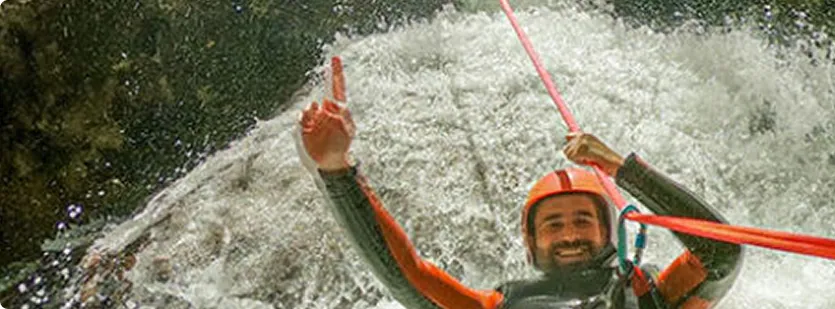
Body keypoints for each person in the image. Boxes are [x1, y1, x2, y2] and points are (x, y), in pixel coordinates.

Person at [299, 58, 741, 309]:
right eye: (552, 225)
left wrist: (618, 167)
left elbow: (722, 252)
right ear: (529, 244)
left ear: (609, 233)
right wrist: (338, 167)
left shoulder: (654, 295)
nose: (568, 234)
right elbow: (409, 279)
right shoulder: (501, 306)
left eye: (582, 220)